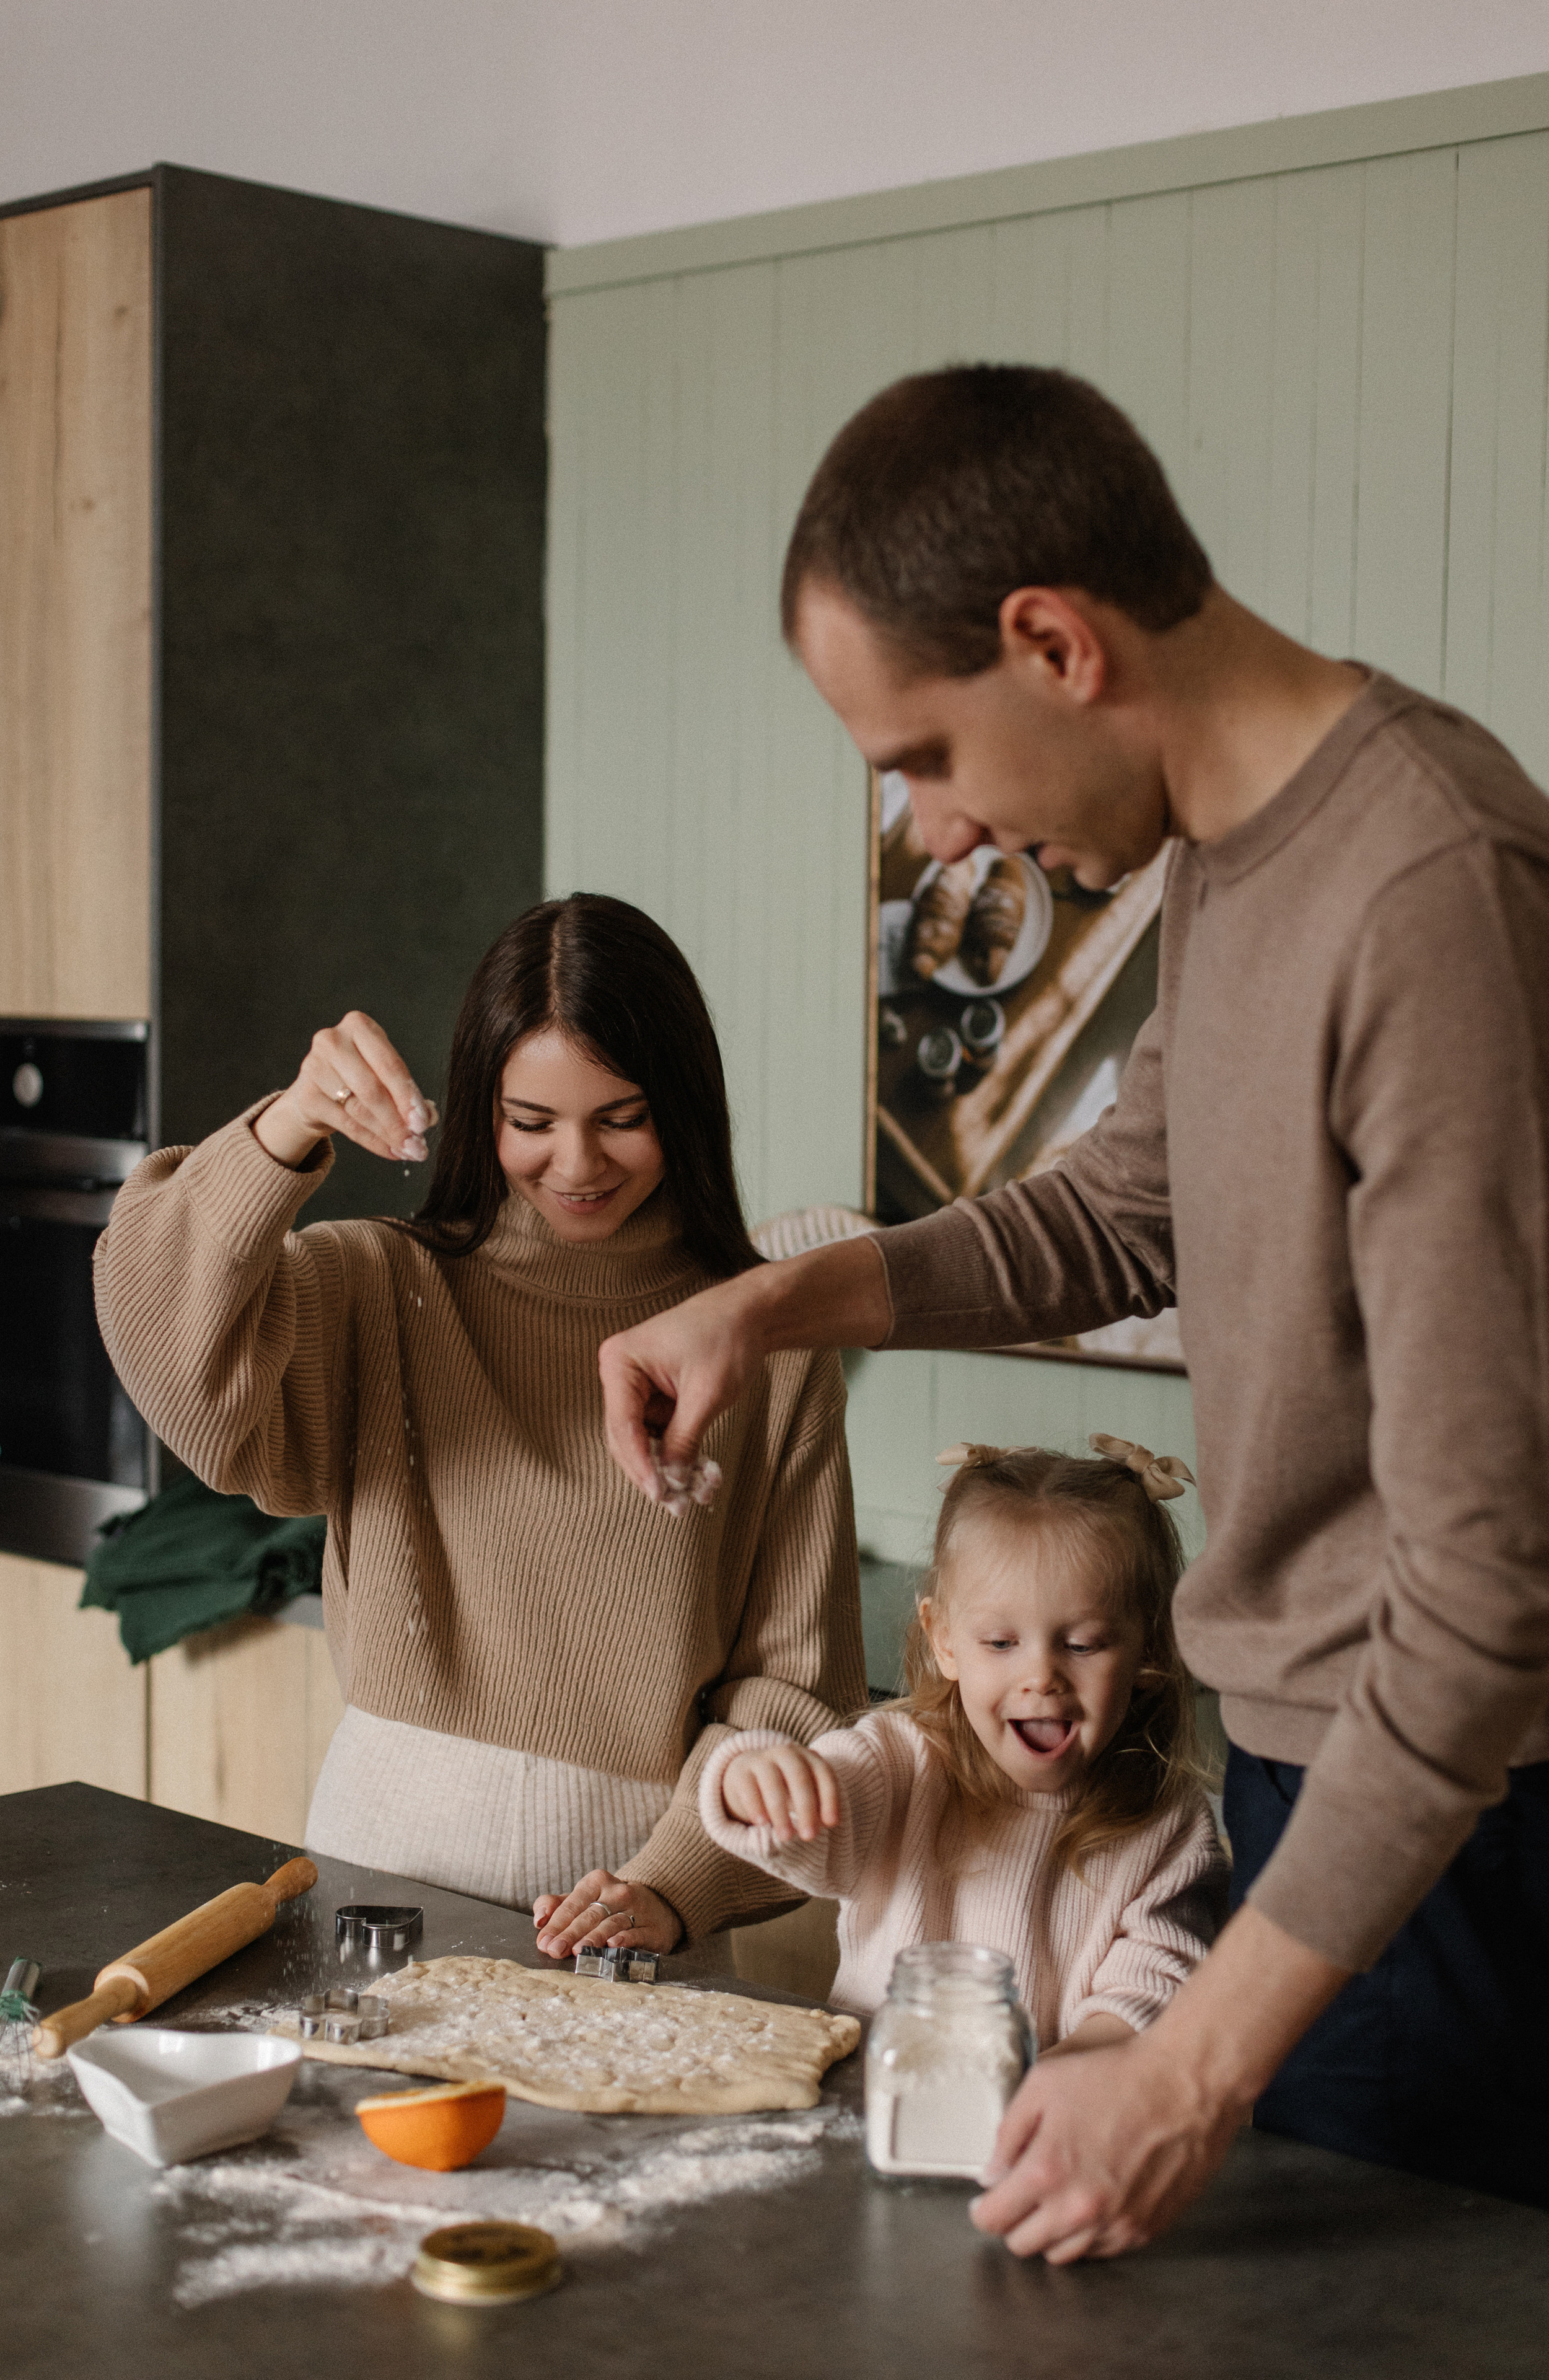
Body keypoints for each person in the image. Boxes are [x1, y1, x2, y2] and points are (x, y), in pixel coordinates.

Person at [597, 365, 1549, 2251]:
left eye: (925, 755)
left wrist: (1190, 2060)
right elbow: (1119, 1213)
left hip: (1450, 1838)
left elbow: (1490, 1585)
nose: (932, 834)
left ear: (1055, 642)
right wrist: (764, 1305)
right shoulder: (1232, 854)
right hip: (1316, 1781)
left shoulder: (1430, 887)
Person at [94, 893, 867, 1960]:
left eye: (624, 1117)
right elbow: (163, 1339)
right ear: (478, 1110)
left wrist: (676, 1887)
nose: (579, 1165)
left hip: (632, 1932)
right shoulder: (388, 1286)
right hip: (374, 1899)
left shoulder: (765, 1344)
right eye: (532, 1124)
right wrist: (284, 1131)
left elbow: (796, 1690)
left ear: (684, 1108)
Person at [700, 1440, 1225, 2038]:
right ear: (944, 1640)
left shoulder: (1170, 1828)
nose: (1041, 1678)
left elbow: (1152, 1986)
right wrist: (754, 1781)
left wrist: (1050, 2082)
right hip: (883, 2101)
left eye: (1082, 1645)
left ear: (1152, 1648)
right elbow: (815, 1835)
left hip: (1049, 2119)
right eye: (1001, 1643)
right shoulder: (900, 1761)